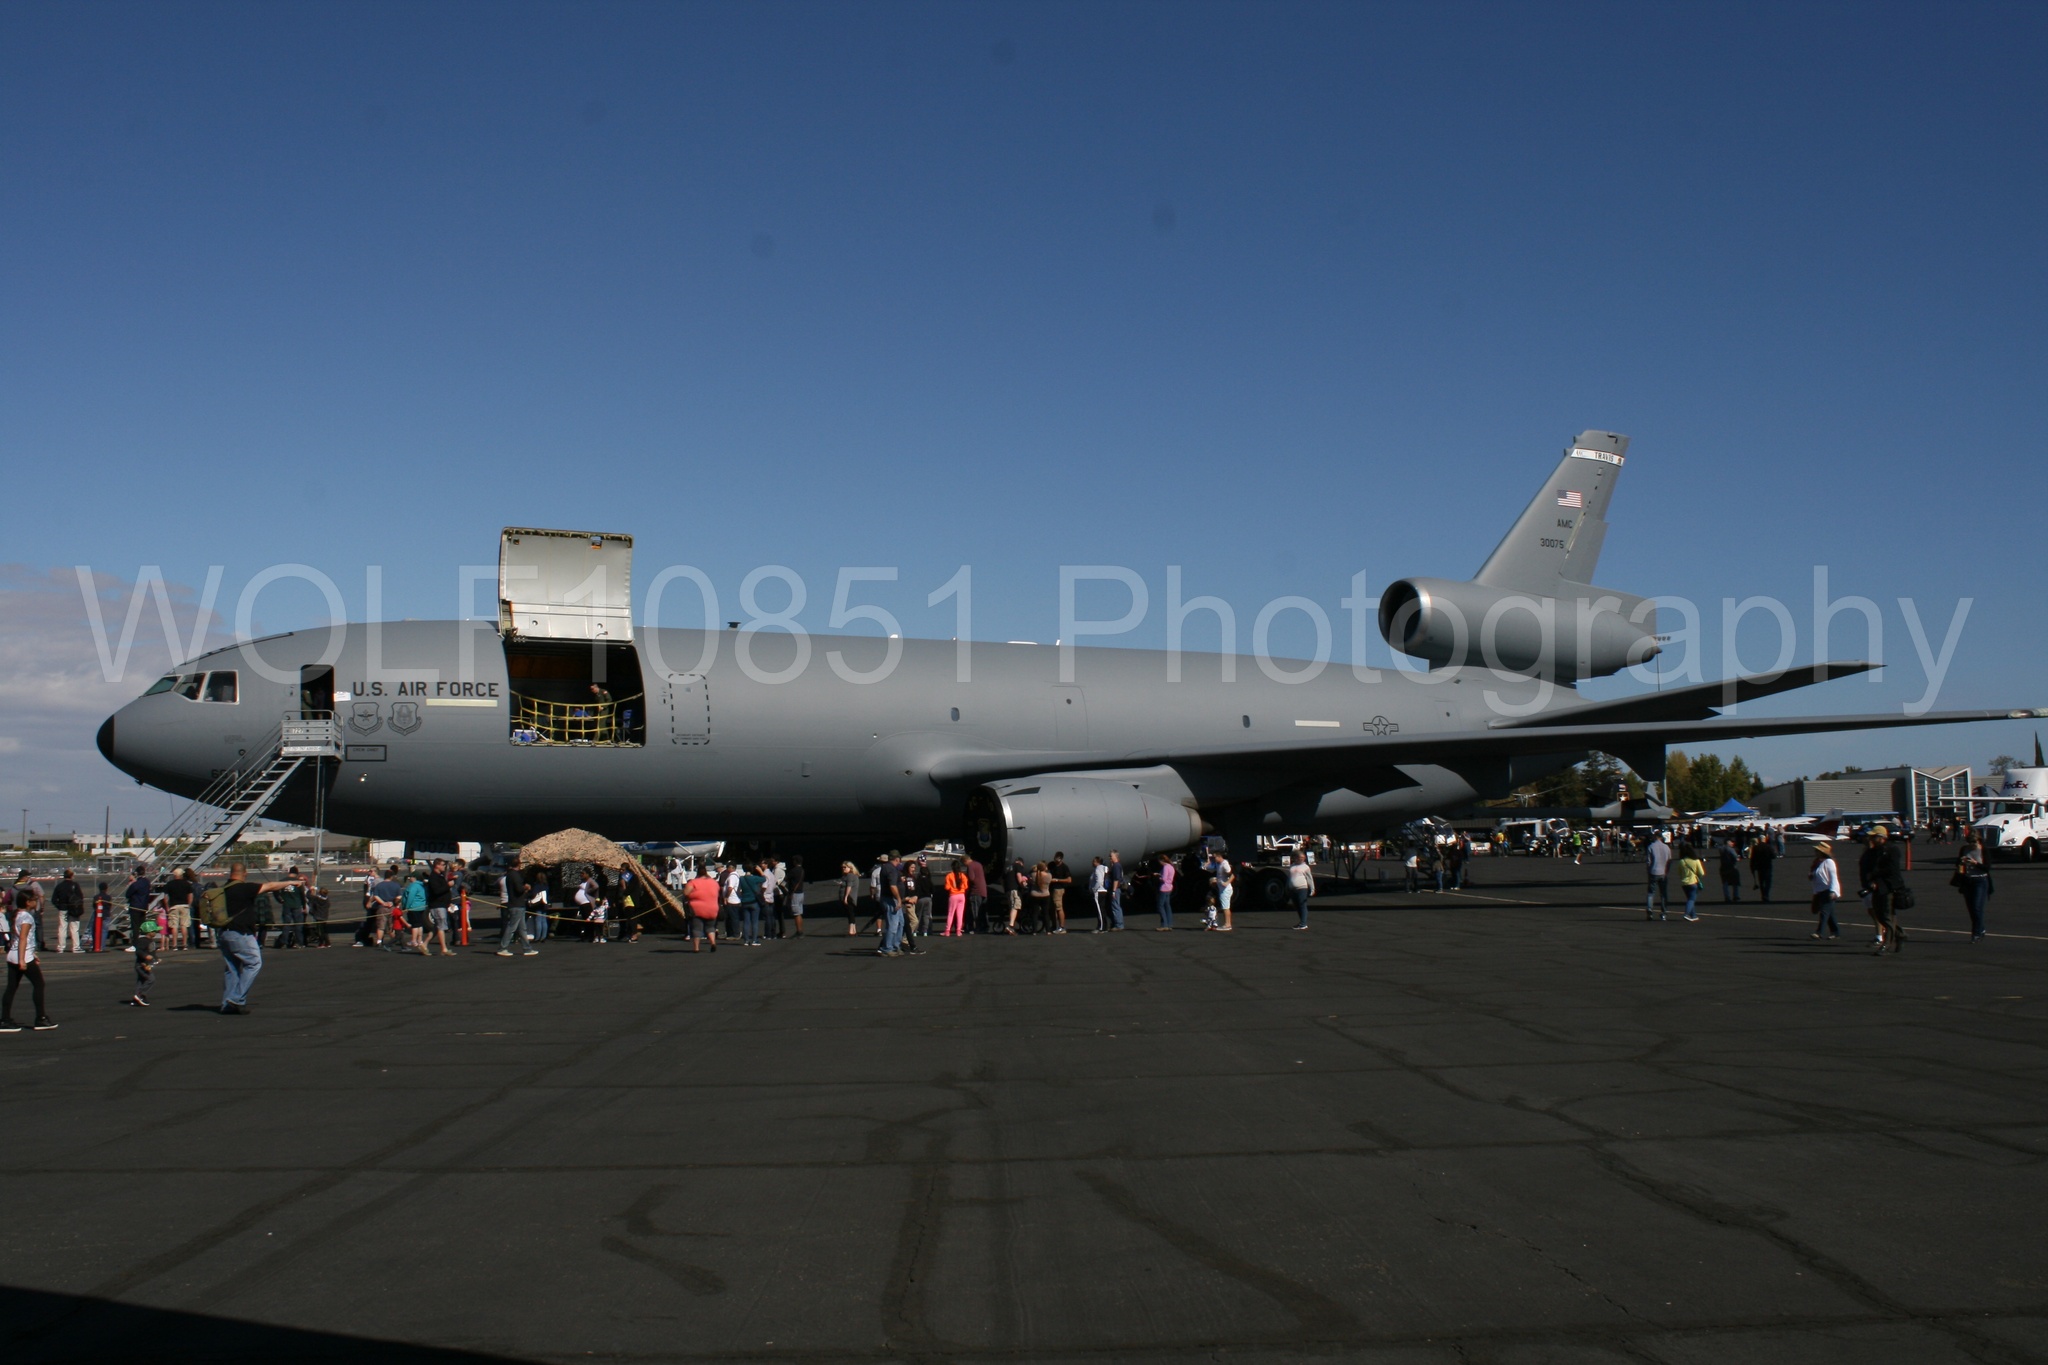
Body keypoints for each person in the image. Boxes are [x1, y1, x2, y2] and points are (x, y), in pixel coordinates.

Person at [214, 862, 294, 1014]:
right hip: (241, 933)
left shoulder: (223, 889)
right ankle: (236, 999)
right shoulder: (245, 888)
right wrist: (290, 882)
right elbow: (270, 886)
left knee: (232, 969)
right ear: (244, 873)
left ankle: (227, 1004)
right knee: (254, 963)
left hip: (224, 933)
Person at [1, 886, 55, 1031]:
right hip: (22, 956)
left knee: (11, 988)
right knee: (39, 984)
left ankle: (4, 1019)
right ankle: (40, 1018)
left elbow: (19, 938)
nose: (36, 902)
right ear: (27, 902)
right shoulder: (26, 917)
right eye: (34, 900)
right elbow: (23, 938)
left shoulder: (17, 915)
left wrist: (32, 953)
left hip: (14, 954)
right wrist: (22, 960)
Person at [1859, 826, 1906, 955]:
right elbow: (1865, 867)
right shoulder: (1873, 851)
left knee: (1887, 915)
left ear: (1882, 837)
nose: (1871, 839)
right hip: (1876, 888)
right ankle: (1899, 934)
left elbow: (1892, 869)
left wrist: (1876, 877)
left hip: (1888, 887)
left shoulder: (1892, 850)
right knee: (1880, 915)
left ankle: (1887, 944)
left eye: (1874, 836)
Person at [1953, 832, 1991, 941]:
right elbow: (1957, 863)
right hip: (1967, 880)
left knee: (1977, 907)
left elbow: (1987, 868)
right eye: (1969, 842)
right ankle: (1981, 928)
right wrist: (1961, 862)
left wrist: (1975, 863)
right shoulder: (1964, 849)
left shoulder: (1983, 850)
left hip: (1980, 880)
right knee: (1971, 909)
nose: (1972, 844)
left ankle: (1976, 933)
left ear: (1978, 841)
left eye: (1974, 842)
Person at [496, 858, 538, 956]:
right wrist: (526, 888)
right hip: (517, 904)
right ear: (518, 864)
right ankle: (503, 948)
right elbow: (519, 889)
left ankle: (527, 948)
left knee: (522, 928)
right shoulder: (515, 875)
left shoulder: (509, 875)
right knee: (512, 927)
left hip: (515, 904)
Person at [130, 886, 164, 1006]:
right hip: (141, 965)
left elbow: (152, 952)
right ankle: (141, 994)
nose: (156, 933)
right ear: (149, 932)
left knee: (141, 980)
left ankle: (136, 997)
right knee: (151, 979)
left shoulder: (151, 941)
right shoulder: (143, 941)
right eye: (154, 931)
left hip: (146, 964)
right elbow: (139, 951)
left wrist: (156, 958)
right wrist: (146, 956)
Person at [1809, 840, 1843, 939]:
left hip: (1828, 891)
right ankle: (1835, 932)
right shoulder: (1817, 862)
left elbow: (1833, 877)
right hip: (1820, 891)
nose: (1815, 852)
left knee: (1824, 912)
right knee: (1829, 913)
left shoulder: (1829, 862)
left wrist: (1833, 891)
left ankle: (1819, 932)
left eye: (1817, 851)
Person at [684, 865, 720, 950]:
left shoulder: (693, 882)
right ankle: (713, 942)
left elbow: (686, 893)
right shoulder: (714, 882)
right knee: (710, 927)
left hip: (697, 909)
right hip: (712, 908)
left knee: (697, 928)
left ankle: (696, 948)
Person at [877, 853, 905, 956]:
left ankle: (895, 945)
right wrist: (898, 899)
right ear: (897, 859)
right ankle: (887, 948)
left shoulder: (888, 868)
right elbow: (892, 886)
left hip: (891, 899)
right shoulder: (891, 869)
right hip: (891, 899)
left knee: (900, 923)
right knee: (893, 924)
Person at [163, 865, 195, 951]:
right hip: (184, 906)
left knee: (174, 926)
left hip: (173, 906)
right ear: (181, 875)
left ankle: (174, 945)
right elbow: (190, 896)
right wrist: (189, 905)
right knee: (184, 925)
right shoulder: (187, 884)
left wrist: (167, 907)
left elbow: (166, 897)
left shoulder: (169, 884)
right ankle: (185, 944)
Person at [52, 870, 84, 954]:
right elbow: (80, 897)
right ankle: (76, 947)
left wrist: (59, 906)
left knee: (62, 928)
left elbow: (53, 899)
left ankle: (60, 947)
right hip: (73, 908)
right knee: (74, 928)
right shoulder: (75, 885)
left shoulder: (59, 886)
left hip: (63, 908)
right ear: (71, 876)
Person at [1644, 830, 1673, 920]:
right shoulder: (1666, 847)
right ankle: (1663, 913)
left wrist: (1648, 870)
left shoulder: (1651, 846)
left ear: (1656, 837)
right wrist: (1667, 871)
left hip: (1653, 871)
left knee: (1651, 893)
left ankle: (1650, 910)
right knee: (1663, 893)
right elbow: (1669, 861)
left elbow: (1648, 861)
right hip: (1663, 872)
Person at [1676, 844, 1705, 922]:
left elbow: (1679, 873)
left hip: (1684, 883)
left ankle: (1693, 915)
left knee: (1690, 899)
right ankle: (1686, 914)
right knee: (1692, 899)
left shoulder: (1681, 861)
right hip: (1693, 882)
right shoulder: (1696, 861)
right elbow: (1701, 873)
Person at [1287, 851, 1314, 929]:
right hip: (1292, 889)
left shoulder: (1305, 867)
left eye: (1303, 857)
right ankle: (1302, 921)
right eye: (1300, 857)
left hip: (1302, 888)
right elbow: (1290, 877)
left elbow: (1309, 878)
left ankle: (1303, 924)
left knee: (1302, 905)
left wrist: (1312, 889)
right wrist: (1287, 887)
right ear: (1295, 858)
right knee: (1297, 906)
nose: (1302, 859)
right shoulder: (1292, 866)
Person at [1748, 835, 1777, 903]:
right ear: (1764, 839)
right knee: (1768, 882)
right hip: (1767, 866)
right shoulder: (1768, 847)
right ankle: (1766, 894)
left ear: (1758, 840)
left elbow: (1753, 858)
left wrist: (1752, 867)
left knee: (1761, 881)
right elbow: (1773, 856)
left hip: (1759, 867)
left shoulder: (1755, 848)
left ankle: (1763, 894)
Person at [942, 863, 968, 935]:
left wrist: (951, 887)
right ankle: (958, 931)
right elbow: (966, 886)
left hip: (953, 895)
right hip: (962, 895)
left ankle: (947, 931)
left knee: (951, 913)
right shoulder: (963, 876)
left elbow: (947, 887)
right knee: (960, 914)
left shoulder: (949, 876)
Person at [1048, 852, 1072, 933]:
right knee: (1052, 908)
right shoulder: (1051, 864)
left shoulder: (1064, 867)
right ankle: (1054, 926)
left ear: (1061, 859)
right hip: (1051, 889)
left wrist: (1057, 880)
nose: (1056, 860)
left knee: (1059, 908)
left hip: (1058, 889)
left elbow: (1069, 880)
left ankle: (1062, 927)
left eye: (1057, 858)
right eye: (1055, 858)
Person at [964, 854, 987, 934]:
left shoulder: (970, 866)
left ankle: (977, 927)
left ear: (965, 861)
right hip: (983, 890)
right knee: (982, 910)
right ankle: (985, 926)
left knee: (975, 911)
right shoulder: (978, 864)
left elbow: (971, 877)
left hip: (975, 891)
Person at [1155, 855, 1177, 930]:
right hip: (1170, 887)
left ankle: (1164, 924)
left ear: (1162, 861)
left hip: (1164, 888)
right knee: (1167, 905)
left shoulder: (1165, 867)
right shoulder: (1171, 867)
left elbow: (1164, 878)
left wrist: (1159, 877)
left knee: (1160, 905)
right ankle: (1169, 924)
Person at [1214, 852, 1235, 931]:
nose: (1214, 859)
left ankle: (1227, 924)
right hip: (1222, 888)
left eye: (1215, 857)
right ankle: (1227, 923)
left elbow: (1232, 874)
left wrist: (1227, 882)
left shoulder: (1224, 864)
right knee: (1225, 907)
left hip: (1225, 889)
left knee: (1225, 907)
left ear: (1219, 856)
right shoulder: (1219, 864)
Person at [839, 861, 861, 935]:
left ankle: (851, 930)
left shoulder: (850, 875)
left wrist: (845, 897)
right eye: (842, 867)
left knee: (850, 913)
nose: (843, 868)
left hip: (849, 897)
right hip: (849, 897)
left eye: (845, 867)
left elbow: (849, 887)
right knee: (850, 913)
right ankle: (854, 930)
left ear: (850, 867)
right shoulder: (847, 876)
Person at [1717, 838, 1742, 904]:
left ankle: (1727, 897)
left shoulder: (1721, 849)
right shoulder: (1730, 849)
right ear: (1728, 842)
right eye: (1731, 842)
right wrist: (1738, 858)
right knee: (1735, 883)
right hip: (1731, 867)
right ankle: (1735, 896)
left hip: (1723, 867)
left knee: (1725, 883)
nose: (1732, 843)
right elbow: (1736, 858)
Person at [1105, 851, 1126, 930]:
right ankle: (1117, 924)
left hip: (1115, 889)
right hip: (1116, 888)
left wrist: (1113, 890)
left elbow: (1116, 879)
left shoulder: (1116, 866)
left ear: (1115, 857)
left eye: (1111, 856)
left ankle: (1119, 925)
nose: (1110, 858)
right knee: (1115, 906)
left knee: (1116, 906)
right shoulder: (1115, 865)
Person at [786, 856, 805, 936]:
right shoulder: (802, 870)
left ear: (795, 861)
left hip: (795, 894)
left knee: (796, 914)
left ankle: (799, 931)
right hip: (801, 893)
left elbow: (786, 878)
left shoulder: (793, 871)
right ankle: (800, 930)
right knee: (799, 913)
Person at [1089, 856, 1110, 931]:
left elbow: (1099, 880)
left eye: (1093, 861)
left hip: (1098, 891)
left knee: (1099, 910)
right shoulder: (1104, 868)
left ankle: (1102, 927)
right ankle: (1103, 926)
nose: (1092, 863)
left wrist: (1094, 889)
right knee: (1102, 909)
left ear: (1097, 862)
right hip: (1104, 890)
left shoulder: (1098, 869)